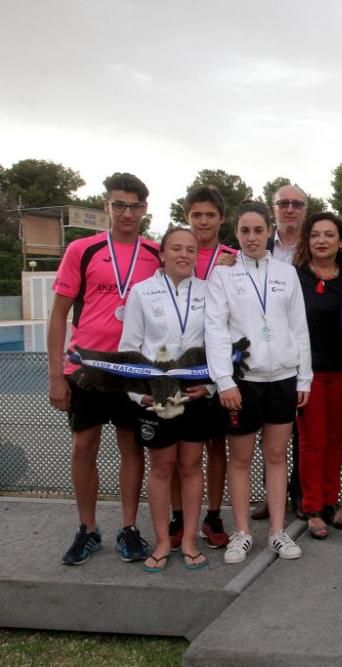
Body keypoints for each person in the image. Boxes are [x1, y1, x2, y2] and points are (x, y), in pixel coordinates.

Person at [49, 172, 161, 566]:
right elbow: (59, 316)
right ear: (106, 207)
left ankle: (129, 527)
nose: (127, 213)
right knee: (84, 446)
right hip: (87, 367)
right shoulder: (83, 249)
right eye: (119, 205)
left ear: (145, 210)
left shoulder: (156, 252)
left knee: (132, 447)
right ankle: (87, 528)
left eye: (134, 206)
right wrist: (54, 375)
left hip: (133, 370)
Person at [206, 200, 311, 563]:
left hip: (283, 378)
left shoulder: (287, 273)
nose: (252, 238)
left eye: (258, 230)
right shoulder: (222, 275)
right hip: (243, 381)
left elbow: (299, 328)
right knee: (241, 458)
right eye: (245, 231)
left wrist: (305, 377)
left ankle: (279, 532)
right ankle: (242, 532)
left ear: (270, 232)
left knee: (277, 456)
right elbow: (216, 330)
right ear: (236, 234)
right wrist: (223, 380)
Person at [119, 227, 213, 572]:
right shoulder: (142, 293)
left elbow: (218, 342)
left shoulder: (208, 291)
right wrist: (138, 395)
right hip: (156, 397)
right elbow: (129, 348)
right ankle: (162, 540)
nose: (184, 254)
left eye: (190, 249)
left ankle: (188, 539)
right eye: (177, 248)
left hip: (194, 393)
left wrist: (212, 387)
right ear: (162, 253)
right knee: (161, 468)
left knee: (190, 466)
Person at [167, 185, 236, 551]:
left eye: (210, 214)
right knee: (180, 450)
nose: (204, 221)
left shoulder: (234, 257)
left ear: (221, 218)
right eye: (197, 215)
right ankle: (179, 516)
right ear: (187, 216)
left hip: (218, 366)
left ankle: (212, 515)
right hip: (179, 366)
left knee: (216, 446)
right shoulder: (179, 253)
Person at [294, 212, 342, 539]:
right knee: (312, 441)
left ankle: (331, 502)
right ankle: (312, 506)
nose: (322, 240)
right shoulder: (294, 277)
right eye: (316, 234)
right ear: (307, 240)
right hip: (309, 374)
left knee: (335, 441)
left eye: (329, 235)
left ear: (340, 242)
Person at [251, 183, 309, 521]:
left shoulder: (316, 244)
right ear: (273, 208)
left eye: (296, 204)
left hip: (300, 348)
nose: (290, 209)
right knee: (267, 431)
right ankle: (271, 495)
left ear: (305, 208)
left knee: (302, 431)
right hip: (264, 352)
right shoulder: (256, 243)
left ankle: (301, 493)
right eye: (283, 203)